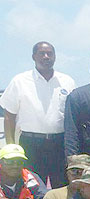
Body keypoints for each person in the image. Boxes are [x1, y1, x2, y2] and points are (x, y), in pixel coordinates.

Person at [0, 41, 75, 187]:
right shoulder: (20, 81)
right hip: (30, 143)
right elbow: (9, 116)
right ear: (34, 56)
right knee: (31, 186)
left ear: (55, 57)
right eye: (42, 53)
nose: (46, 57)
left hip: (59, 143)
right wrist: (10, 146)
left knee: (61, 186)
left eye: (50, 54)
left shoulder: (67, 81)